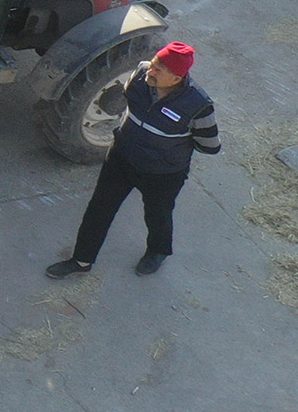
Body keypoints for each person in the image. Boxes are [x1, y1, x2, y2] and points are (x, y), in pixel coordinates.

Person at [48, 42, 219, 279]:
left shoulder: (198, 106)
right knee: (98, 210)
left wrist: (166, 149)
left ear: (177, 78)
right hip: (121, 159)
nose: (151, 71)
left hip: (162, 174)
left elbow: (209, 146)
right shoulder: (140, 74)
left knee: (157, 213)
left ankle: (158, 251)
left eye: (159, 70)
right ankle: (81, 260)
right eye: (154, 64)